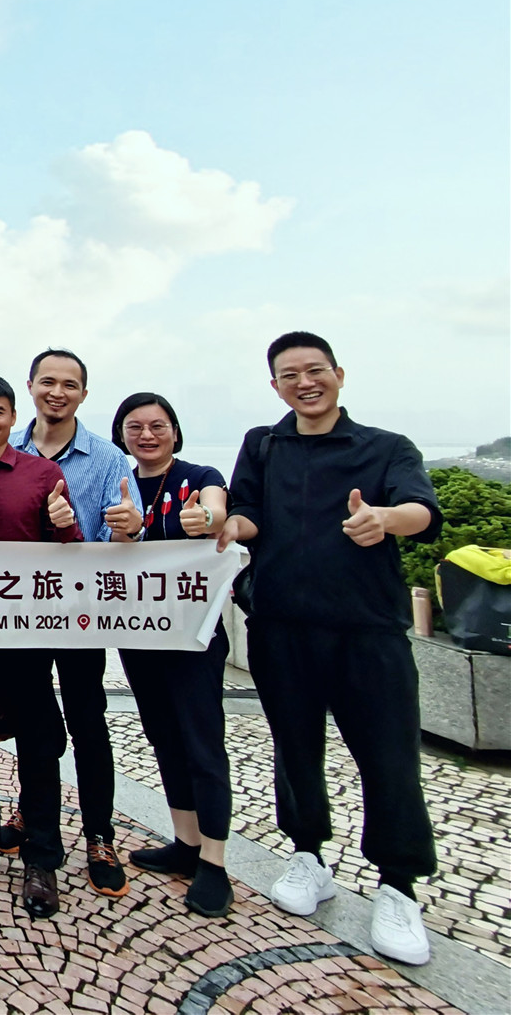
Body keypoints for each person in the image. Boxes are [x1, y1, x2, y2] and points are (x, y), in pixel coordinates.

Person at [218, 332, 442, 965]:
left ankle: (398, 885)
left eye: (314, 370)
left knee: (389, 756)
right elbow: (250, 513)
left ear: (339, 374)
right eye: (289, 375)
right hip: (281, 626)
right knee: (295, 749)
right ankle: (308, 854)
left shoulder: (386, 447)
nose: (304, 383)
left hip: (367, 630)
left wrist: (384, 519)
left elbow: (422, 510)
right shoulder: (263, 443)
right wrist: (229, 525)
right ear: (275, 386)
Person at [0, 373, 81, 919]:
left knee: (37, 746)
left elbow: (70, 552)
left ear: (13, 416)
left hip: (26, 635)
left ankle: (42, 857)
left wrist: (66, 525)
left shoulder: (42, 473)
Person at [3, 348, 130, 899]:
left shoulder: (108, 459)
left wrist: (127, 528)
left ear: (84, 393)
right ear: (30, 386)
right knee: (33, 725)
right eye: (47, 382)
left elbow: (124, 535)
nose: (57, 392)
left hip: (82, 615)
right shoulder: (6, 448)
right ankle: (33, 816)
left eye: (69, 384)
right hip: (21, 618)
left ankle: (100, 834)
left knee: (87, 722)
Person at [106, 391, 235, 918]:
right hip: (139, 633)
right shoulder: (119, 484)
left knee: (203, 742)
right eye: (134, 427)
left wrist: (207, 517)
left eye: (157, 425)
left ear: (175, 432)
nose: (147, 435)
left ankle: (215, 862)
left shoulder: (198, 476)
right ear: (121, 435)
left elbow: (215, 511)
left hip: (192, 636)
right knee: (163, 736)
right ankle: (185, 843)